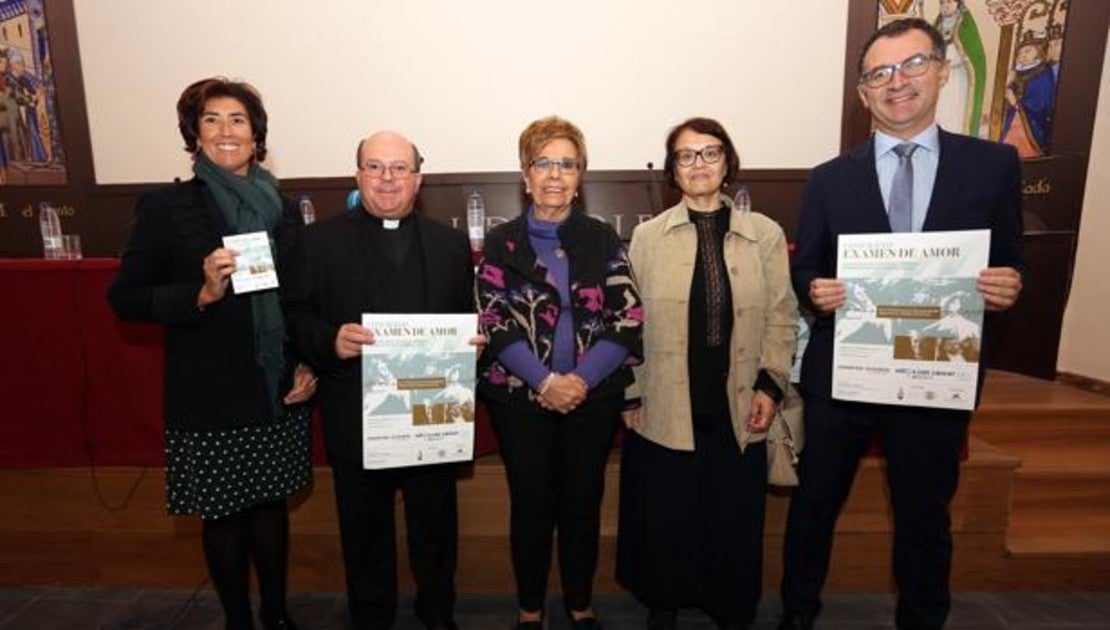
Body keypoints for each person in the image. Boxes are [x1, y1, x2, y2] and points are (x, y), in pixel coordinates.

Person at [779, 18, 1024, 630]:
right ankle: (796, 615)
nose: (897, 83)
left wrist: (1008, 284)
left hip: (936, 369)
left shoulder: (994, 166)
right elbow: (806, 264)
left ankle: (922, 619)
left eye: (912, 65)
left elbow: (1010, 261)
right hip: (844, 371)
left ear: (942, 71)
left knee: (924, 514)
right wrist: (815, 288)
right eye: (880, 74)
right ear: (863, 93)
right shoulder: (830, 178)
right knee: (814, 507)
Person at [108, 77, 315, 630]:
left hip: (274, 385)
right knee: (224, 515)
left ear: (256, 133)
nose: (227, 131)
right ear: (194, 135)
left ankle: (276, 614)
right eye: (212, 120)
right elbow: (124, 298)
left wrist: (304, 361)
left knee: (271, 507)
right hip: (209, 389)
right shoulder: (169, 206)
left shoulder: (283, 206)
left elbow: (297, 297)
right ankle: (238, 621)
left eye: (238, 120)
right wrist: (197, 294)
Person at [283, 130, 474, 630]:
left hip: (434, 420)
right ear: (358, 175)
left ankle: (439, 617)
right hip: (357, 419)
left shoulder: (451, 245)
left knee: (436, 535)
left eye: (399, 168)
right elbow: (295, 315)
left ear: (418, 178)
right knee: (364, 539)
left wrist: (474, 342)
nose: (387, 178)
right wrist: (329, 341)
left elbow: (467, 317)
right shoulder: (317, 242)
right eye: (375, 167)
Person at [616, 117, 797, 630]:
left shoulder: (764, 234)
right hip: (666, 403)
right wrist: (629, 394)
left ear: (728, 163)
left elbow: (782, 316)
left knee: (732, 517)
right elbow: (628, 322)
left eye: (710, 153)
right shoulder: (647, 237)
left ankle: (729, 606)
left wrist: (770, 384)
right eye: (686, 155)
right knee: (668, 517)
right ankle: (665, 604)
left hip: (740, 403)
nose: (699, 164)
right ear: (672, 169)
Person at [476, 116, 643, 629]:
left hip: (592, 399)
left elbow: (628, 317)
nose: (555, 174)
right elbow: (494, 319)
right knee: (530, 504)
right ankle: (529, 608)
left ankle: (579, 603)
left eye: (567, 164)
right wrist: (546, 381)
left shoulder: (603, 239)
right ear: (525, 175)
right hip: (519, 398)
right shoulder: (501, 243)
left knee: (581, 502)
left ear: (580, 175)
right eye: (543, 162)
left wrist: (579, 382)